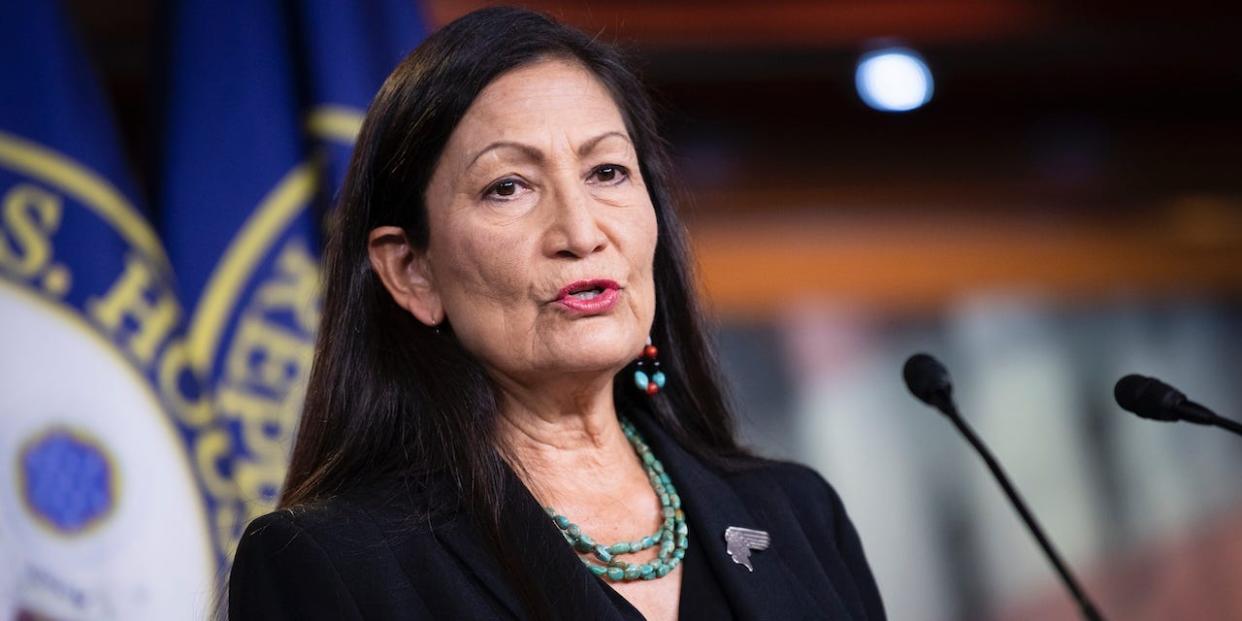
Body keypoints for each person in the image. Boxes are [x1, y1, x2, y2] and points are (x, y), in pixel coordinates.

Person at [227, 7, 885, 620]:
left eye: (606, 172)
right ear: (412, 272)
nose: (580, 230)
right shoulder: (329, 562)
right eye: (507, 186)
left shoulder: (798, 515)